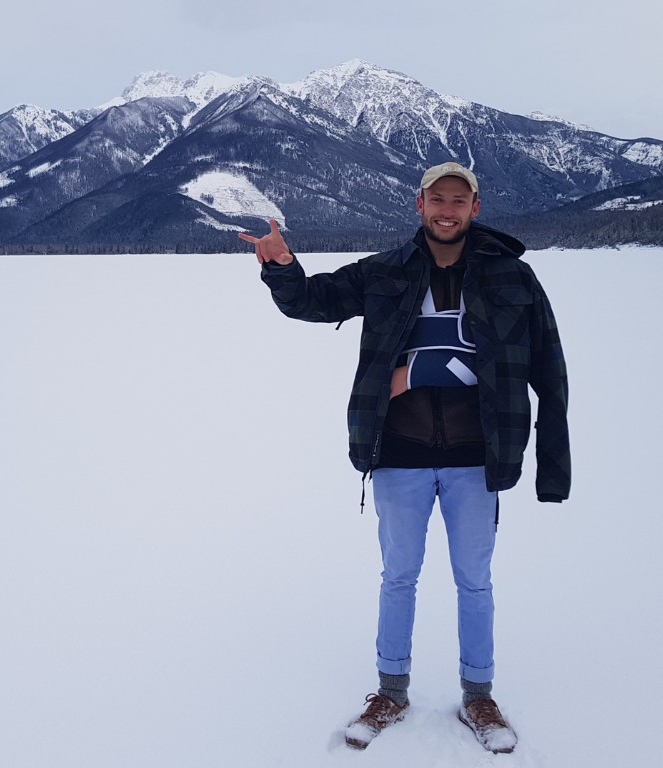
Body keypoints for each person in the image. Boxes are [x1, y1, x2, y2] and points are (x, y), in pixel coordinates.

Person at [240, 161, 570, 754]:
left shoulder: (512, 276)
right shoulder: (385, 271)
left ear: (475, 208)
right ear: (419, 205)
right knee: (398, 577)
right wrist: (282, 267)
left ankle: (478, 695)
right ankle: (390, 690)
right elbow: (312, 301)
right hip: (398, 453)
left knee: (474, 580)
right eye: (436, 199)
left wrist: (551, 463)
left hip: (478, 457)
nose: (447, 210)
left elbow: (549, 368)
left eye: (458, 200)